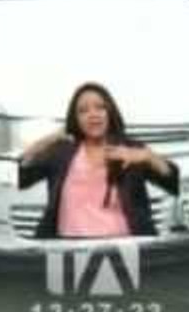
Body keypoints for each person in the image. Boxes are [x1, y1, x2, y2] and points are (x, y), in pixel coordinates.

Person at [18, 81, 179, 238]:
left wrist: (149, 157)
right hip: (67, 253)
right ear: (75, 119)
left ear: (110, 112)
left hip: (125, 251)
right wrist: (50, 139)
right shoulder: (61, 153)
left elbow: (174, 184)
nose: (93, 114)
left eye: (100, 107)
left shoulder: (131, 149)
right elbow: (20, 177)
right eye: (83, 110)